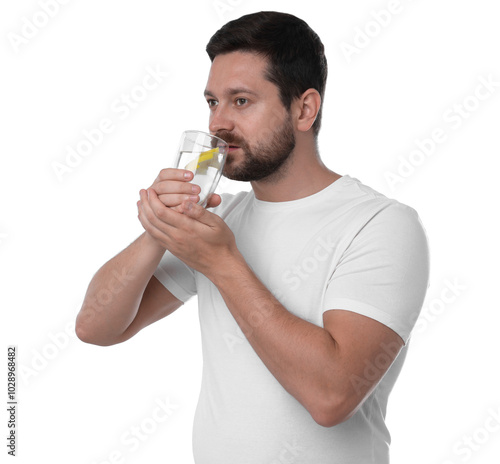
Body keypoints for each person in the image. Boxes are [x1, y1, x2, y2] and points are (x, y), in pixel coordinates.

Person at [76, 11, 430, 463]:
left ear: (304, 110)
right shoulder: (223, 221)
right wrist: (161, 228)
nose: (218, 123)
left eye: (240, 101)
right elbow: (96, 327)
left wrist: (222, 263)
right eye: (211, 102)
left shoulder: (380, 224)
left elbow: (332, 397)